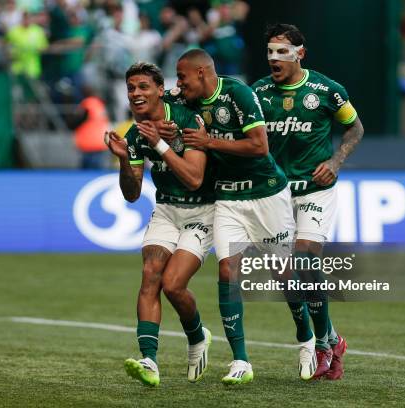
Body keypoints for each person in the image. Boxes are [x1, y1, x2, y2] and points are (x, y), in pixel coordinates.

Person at [170, 48, 296, 385]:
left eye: (182, 77)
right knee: (227, 270)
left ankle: (311, 338)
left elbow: (259, 146)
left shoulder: (238, 93)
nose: (180, 84)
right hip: (227, 195)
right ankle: (241, 360)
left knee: (284, 275)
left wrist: (209, 141)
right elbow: (164, 103)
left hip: (266, 192)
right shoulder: (189, 102)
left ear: (201, 72)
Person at [252, 23, 364, 380]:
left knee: (305, 256)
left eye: (282, 52)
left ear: (300, 54)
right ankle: (330, 337)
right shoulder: (258, 93)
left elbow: (355, 128)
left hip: (315, 189)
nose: (274, 58)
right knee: (285, 276)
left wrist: (335, 162)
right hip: (276, 193)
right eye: (270, 51)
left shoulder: (326, 90)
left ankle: (320, 345)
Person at [105, 62, 214, 387]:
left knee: (173, 285)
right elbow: (132, 194)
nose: (136, 94)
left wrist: (161, 145)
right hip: (166, 210)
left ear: (159, 89)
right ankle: (149, 360)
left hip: (201, 211)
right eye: (131, 88)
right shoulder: (136, 133)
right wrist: (125, 159)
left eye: (142, 87)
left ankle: (197, 336)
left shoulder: (184, 117)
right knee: (150, 274)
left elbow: (195, 179)